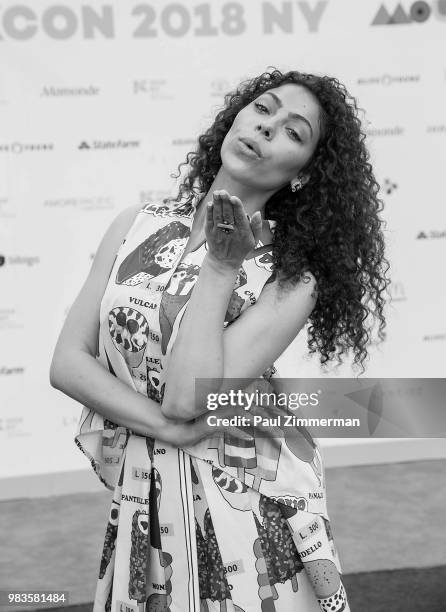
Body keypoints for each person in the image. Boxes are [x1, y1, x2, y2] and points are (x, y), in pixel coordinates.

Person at [50, 68, 389, 611]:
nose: (265, 127)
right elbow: (67, 363)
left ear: (302, 175)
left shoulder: (294, 276)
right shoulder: (135, 223)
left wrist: (220, 267)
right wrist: (165, 428)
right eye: (262, 109)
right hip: (146, 486)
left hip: (243, 503)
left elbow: (189, 396)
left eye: (293, 132)